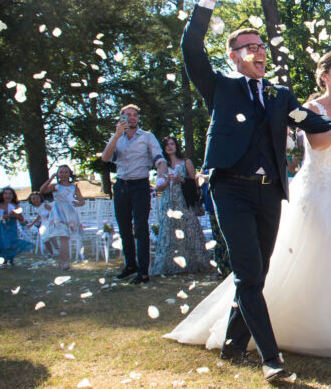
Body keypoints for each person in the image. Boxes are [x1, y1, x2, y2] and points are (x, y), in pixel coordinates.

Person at [172, 0, 331, 383]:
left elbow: (309, 121)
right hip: (230, 190)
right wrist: (208, 0)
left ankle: (233, 344)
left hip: (270, 192)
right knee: (249, 273)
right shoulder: (219, 87)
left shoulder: (280, 95)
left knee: (257, 274)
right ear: (233, 56)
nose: (260, 52)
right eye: (250, 47)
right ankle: (272, 360)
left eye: (262, 46)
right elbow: (191, 49)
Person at [168, 49, 331, 361]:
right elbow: (316, 140)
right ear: (325, 76)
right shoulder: (308, 108)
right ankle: (301, 328)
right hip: (314, 192)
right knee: (302, 258)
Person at [101, 104, 167, 283]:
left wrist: (161, 172)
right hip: (121, 186)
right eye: (127, 115)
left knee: (140, 228)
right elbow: (105, 157)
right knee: (124, 227)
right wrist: (116, 135)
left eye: (135, 115)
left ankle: (143, 272)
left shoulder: (147, 136)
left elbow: (158, 157)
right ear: (121, 118)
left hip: (140, 185)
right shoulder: (117, 138)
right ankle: (130, 265)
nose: (132, 117)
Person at [150, 136, 211, 276]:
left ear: (176, 146)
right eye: (167, 145)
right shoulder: (163, 165)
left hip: (184, 200)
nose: (170, 147)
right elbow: (159, 187)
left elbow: (195, 183)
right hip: (168, 201)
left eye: (172, 144)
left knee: (189, 229)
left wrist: (180, 179)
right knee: (169, 232)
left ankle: (194, 263)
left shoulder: (186, 162)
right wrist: (165, 180)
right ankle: (170, 265)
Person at [38, 165, 86, 270]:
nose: (63, 174)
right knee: (63, 237)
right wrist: (50, 179)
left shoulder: (73, 187)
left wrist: (78, 203)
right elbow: (42, 190)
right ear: (57, 174)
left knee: (66, 238)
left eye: (66, 172)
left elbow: (82, 200)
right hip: (58, 213)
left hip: (69, 212)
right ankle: (64, 262)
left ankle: (64, 261)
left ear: (69, 174)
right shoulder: (56, 186)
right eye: (61, 172)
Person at [0, 187, 30, 267]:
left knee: (11, 244)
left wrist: (15, 215)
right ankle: (4, 262)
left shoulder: (16, 206)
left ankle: (11, 260)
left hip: (12, 227)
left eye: (10, 194)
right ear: (2, 195)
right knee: (2, 244)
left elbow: (21, 219)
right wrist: (2, 217)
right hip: (1, 228)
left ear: (13, 195)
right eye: (6, 193)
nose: (8, 195)